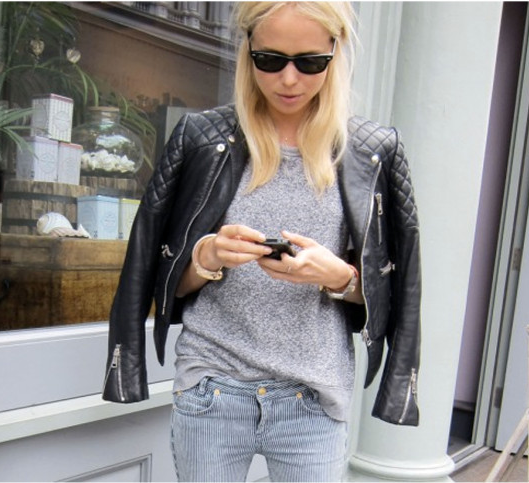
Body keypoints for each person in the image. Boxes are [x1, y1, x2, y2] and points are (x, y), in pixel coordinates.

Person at [102, 2, 421, 481]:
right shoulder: (202, 138)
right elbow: (160, 278)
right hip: (212, 388)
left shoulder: (372, 152)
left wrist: (339, 277)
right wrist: (206, 257)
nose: (288, 79)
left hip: (313, 399)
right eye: (270, 60)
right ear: (247, 50)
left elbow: (397, 287)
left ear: (335, 53)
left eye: (309, 62)